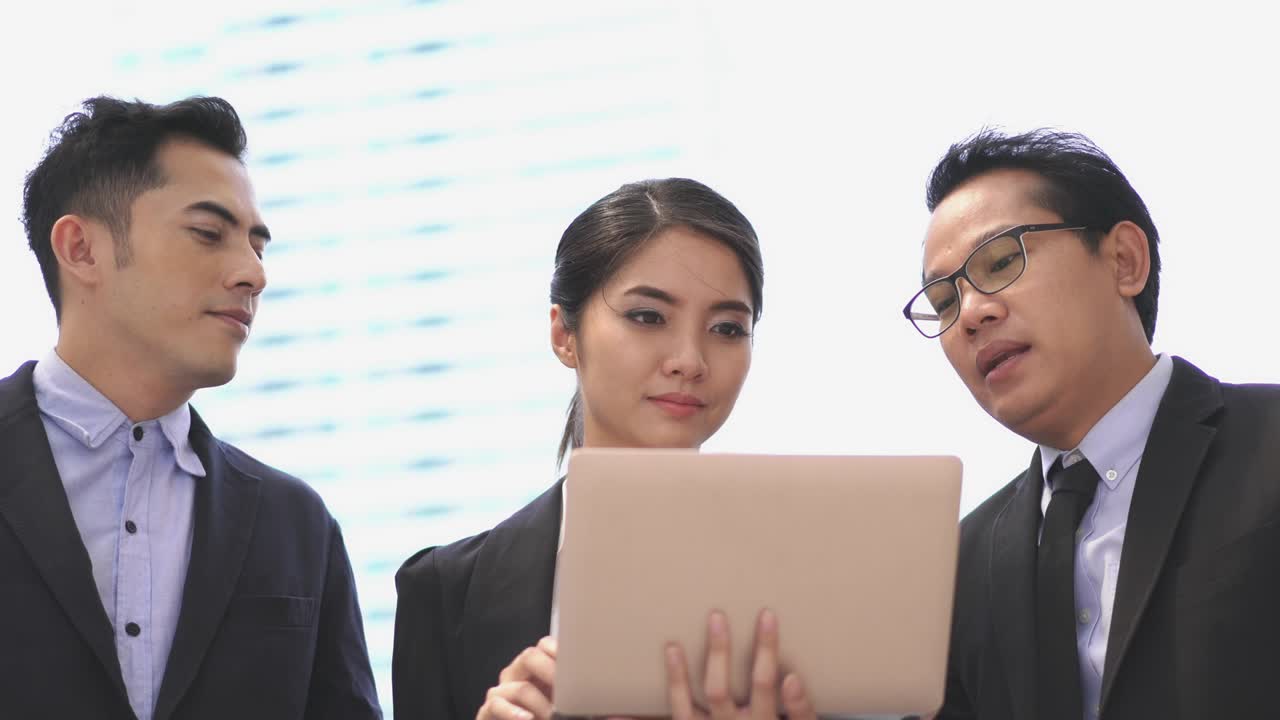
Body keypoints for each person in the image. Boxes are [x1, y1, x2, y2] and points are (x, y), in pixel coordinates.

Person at [0, 96, 381, 719]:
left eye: (258, 246)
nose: (252, 274)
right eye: (209, 234)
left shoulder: (297, 527)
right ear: (81, 249)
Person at [393, 178, 818, 720]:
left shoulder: (811, 581)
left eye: (727, 328)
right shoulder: (445, 592)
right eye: (648, 316)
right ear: (564, 335)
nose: (690, 359)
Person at [904, 129, 1280, 719]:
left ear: (1124, 260)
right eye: (945, 302)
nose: (971, 314)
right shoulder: (957, 567)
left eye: (1001, 262)